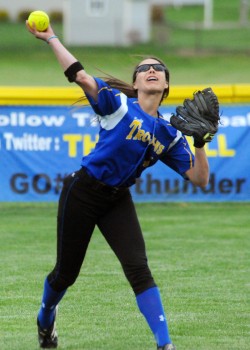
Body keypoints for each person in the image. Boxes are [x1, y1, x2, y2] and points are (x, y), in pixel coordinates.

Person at [26, 20, 210, 350]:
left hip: (116, 199)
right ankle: (46, 315)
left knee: (139, 269)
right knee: (65, 274)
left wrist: (200, 142)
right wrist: (50, 37)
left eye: (159, 68)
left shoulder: (170, 135)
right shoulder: (117, 104)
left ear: (166, 85)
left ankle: (165, 345)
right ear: (136, 83)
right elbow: (80, 77)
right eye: (144, 68)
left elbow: (199, 179)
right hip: (82, 191)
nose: (152, 70)